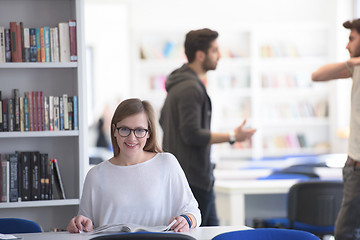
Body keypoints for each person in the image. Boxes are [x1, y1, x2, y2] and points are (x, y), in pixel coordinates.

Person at [159, 28, 257, 226]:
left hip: (192, 177)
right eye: (215, 50)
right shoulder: (190, 87)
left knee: (213, 232)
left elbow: (162, 120)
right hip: (192, 180)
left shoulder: (181, 83)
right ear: (200, 55)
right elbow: (191, 133)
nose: (219, 55)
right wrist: (232, 136)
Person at [67, 98, 201, 233]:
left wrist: (187, 220)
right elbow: (84, 224)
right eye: (124, 129)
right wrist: (80, 225)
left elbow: (193, 211)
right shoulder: (95, 175)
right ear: (114, 130)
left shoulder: (167, 164)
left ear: (148, 132)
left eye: (139, 130)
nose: (132, 138)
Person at [312, 19, 360, 240]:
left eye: (352, 39)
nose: (347, 45)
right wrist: (353, 63)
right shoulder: (356, 67)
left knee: (344, 232)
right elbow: (317, 75)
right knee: (344, 231)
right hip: (353, 167)